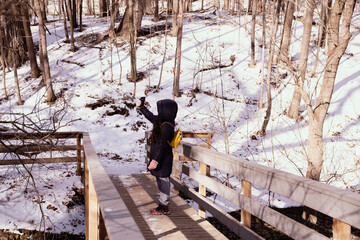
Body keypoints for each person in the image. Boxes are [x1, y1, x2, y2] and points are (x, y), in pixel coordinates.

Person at [136, 97, 178, 215]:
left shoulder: (166, 126)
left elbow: (162, 145)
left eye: (161, 109)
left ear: (166, 111)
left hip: (163, 159)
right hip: (159, 158)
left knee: (164, 181)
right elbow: (150, 116)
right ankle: (162, 204)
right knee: (160, 181)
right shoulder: (161, 121)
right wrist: (142, 107)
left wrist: (155, 160)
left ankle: (164, 206)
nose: (159, 112)